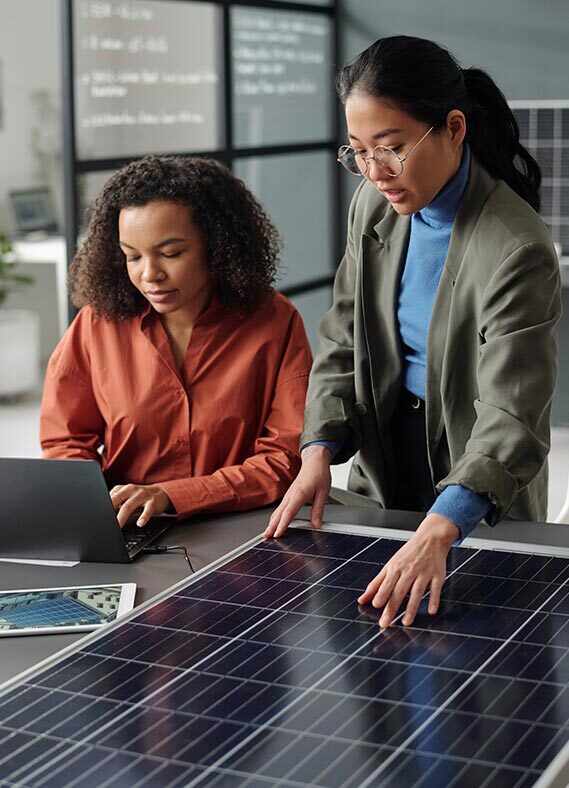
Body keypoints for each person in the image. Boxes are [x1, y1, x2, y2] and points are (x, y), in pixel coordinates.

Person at [264, 36, 562, 628]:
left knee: (477, 674)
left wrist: (444, 524)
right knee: (379, 658)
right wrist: (318, 449)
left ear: (454, 127)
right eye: (358, 152)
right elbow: (343, 337)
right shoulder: (370, 207)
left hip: (474, 476)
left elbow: (512, 414)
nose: (376, 173)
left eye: (393, 148)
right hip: (385, 452)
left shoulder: (517, 246)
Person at [41, 156, 312, 527]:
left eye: (171, 253)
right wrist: (94, 505)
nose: (150, 274)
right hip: (128, 525)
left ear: (217, 246)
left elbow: (285, 458)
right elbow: (64, 442)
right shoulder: (97, 323)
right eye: (132, 257)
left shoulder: (274, 322)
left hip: (244, 525)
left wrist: (173, 495)